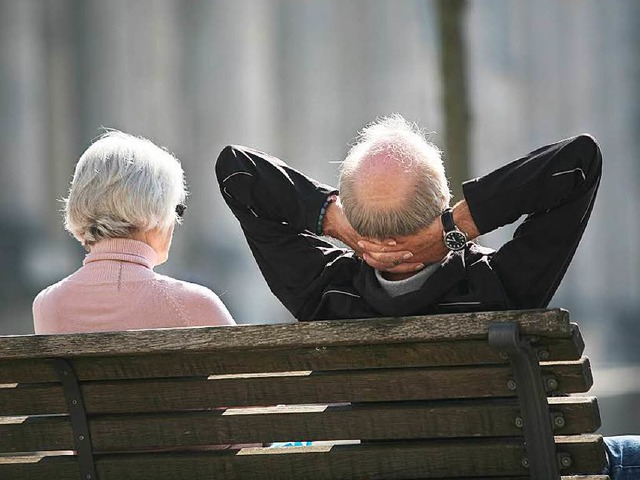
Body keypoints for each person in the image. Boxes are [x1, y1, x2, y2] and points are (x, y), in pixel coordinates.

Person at [215, 114, 637, 478]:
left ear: (351, 212)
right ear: (442, 200)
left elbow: (238, 172)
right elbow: (579, 162)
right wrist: (456, 227)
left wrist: (335, 222)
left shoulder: (324, 291)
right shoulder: (500, 285)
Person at [33, 130, 235, 334]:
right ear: (156, 208)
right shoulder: (194, 304)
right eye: (177, 209)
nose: (175, 221)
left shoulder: (47, 304)